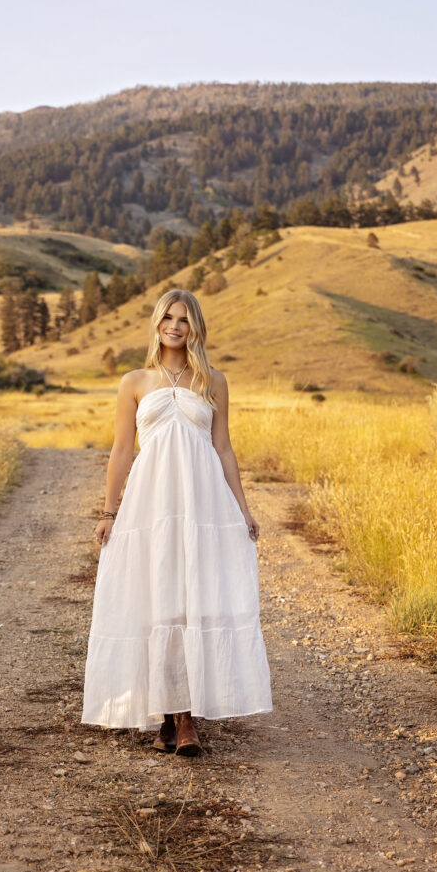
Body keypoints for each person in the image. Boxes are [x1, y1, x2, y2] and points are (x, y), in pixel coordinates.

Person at [81, 288, 272, 755]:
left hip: (201, 501)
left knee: (194, 601)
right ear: (157, 323)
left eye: (184, 320)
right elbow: (123, 450)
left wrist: (242, 508)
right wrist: (110, 511)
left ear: (195, 328)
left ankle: (185, 721)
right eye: (168, 317)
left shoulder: (213, 380)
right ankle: (166, 712)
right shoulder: (135, 382)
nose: (175, 326)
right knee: (157, 600)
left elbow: (223, 448)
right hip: (151, 503)